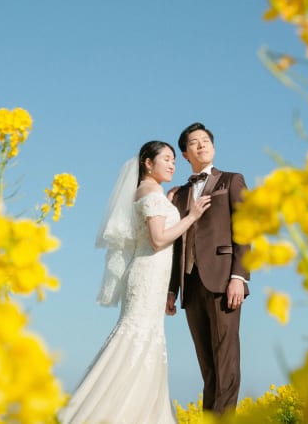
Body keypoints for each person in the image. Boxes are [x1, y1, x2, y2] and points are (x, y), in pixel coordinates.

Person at [60, 141, 211, 424]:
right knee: (135, 337)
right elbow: (158, 240)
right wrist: (192, 216)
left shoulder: (153, 193)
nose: (172, 164)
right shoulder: (149, 192)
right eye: (166, 159)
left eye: (174, 161)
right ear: (147, 163)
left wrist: (169, 201)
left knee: (146, 339)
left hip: (152, 276)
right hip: (146, 274)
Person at [167, 122, 250, 414]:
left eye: (205, 140)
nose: (201, 145)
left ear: (213, 147)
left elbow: (244, 229)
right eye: (194, 142)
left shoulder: (232, 180)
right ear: (185, 154)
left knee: (225, 358)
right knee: (207, 364)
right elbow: (176, 244)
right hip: (190, 285)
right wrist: (171, 290)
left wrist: (239, 276)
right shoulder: (177, 195)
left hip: (224, 281)